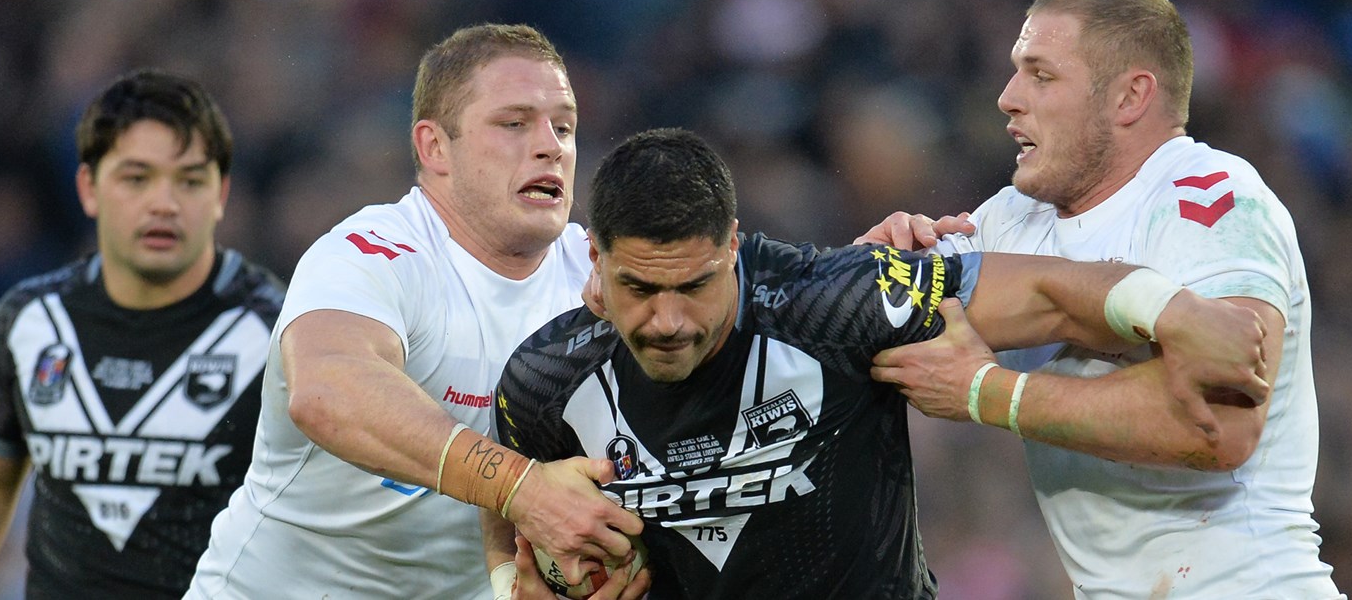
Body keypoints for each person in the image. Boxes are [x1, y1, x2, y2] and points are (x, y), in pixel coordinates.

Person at [485, 128, 1271, 599]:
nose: (667, 320)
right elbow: (510, 508)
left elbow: (1049, 295)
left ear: (732, 245)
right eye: (637, 288)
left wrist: (1174, 313)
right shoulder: (543, 380)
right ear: (594, 256)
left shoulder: (834, 303)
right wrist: (517, 584)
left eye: (694, 286)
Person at [858, 0, 1343, 597]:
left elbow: (1220, 424)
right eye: (1015, 71)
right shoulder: (1010, 220)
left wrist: (988, 391)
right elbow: (871, 323)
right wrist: (878, 258)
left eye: (1042, 75)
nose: (1007, 97)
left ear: (1129, 97)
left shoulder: (1211, 200)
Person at [186, 23, 642, 599]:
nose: (551, 144)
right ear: (434, 147)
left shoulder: (602, 282)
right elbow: (327, 391)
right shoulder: (370, 254)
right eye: (514, 123)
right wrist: (522, 488)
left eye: (565, 126)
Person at [0, 69, 287, 598]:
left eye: (190, 180)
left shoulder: (280, 335)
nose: (164, 203)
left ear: (221, 193)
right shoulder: (32, 323)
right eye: (137, 177)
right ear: (88, 188)